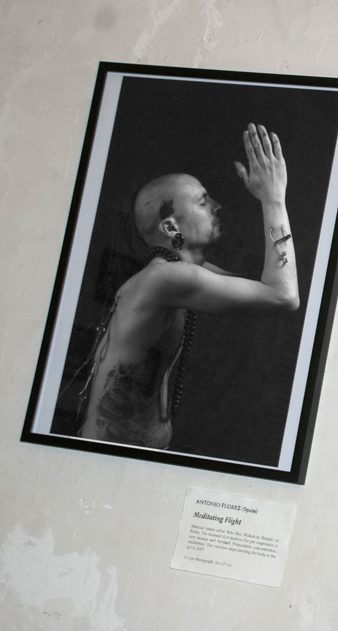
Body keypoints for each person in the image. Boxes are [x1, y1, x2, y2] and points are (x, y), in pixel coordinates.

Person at [77, 122, 299, 449]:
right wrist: (273, 199)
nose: (217, 207)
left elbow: (271, 285)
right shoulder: (166, 279)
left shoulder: (177, 272)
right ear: (171, 226)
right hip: (109, 460)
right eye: (202, 202)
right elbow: (283, 295)